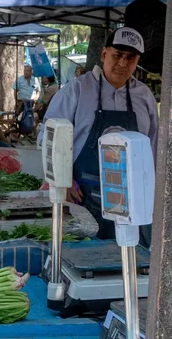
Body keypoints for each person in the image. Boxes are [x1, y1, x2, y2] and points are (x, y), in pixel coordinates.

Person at [42, 27, 158, 239]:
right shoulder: (77, 89)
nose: (122, 63)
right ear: (104, 54)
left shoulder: (144, 96)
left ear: (137, 60)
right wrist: (62, 180)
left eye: (130, 58)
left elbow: (154, 145)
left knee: (131, 257)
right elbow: (48, 137)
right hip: (83, 195)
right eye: (117, 55)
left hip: (132, 199)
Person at [14, 64, 41, 134]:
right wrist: (16, 101)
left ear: (31, 72)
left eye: (28, 71)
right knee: (16, 116)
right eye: (25, 70)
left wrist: (36, 97)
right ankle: (17, 132)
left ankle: (32, 132)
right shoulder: (19, 79)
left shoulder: (35, 80)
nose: (26, 72)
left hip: (32, 103)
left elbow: (38, 91)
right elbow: (15, 91)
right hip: (21, 102)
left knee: (35, 117)